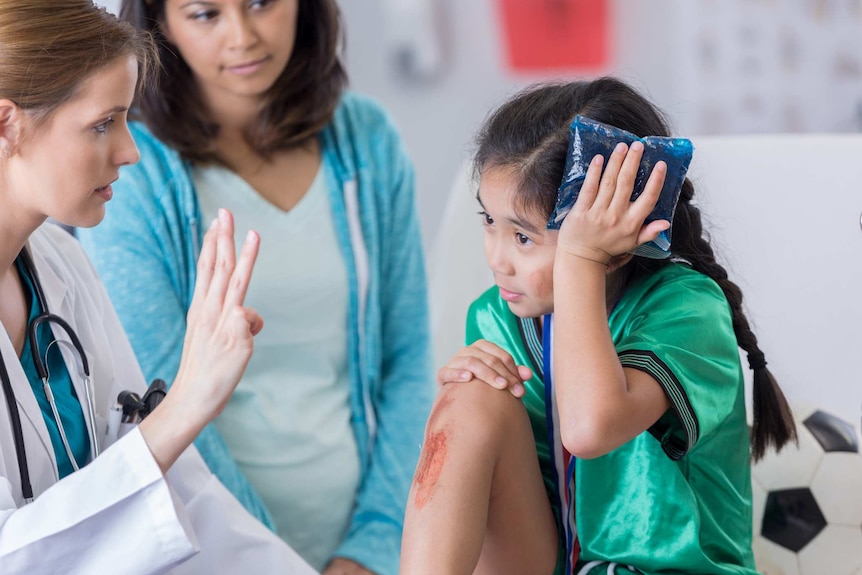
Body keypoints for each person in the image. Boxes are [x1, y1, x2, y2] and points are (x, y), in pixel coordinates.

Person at [76, 1, 434, 574]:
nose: (242, 36)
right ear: (160, 24)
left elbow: (409, 360)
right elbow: (161, 400)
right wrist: (273, 559)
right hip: (217, 550)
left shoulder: (368, 141)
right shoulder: (128, 174)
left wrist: (372, 547)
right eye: (204, 14)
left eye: (261, 3)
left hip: (374, 545)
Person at [399, 78, 798, 575]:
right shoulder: (497, 315)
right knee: (469, 393)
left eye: (523, 237)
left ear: (617, 239)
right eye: (488, 221)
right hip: (549, 561)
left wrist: (581, 259)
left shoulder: (688, 311)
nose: (497, 259)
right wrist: (465, 403)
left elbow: (590, 429)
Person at [0, 1, 318, 573]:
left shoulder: (61, 265)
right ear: (6, 123)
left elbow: (175, 494)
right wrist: (187, 403)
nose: (130, 151)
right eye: (103, 123)